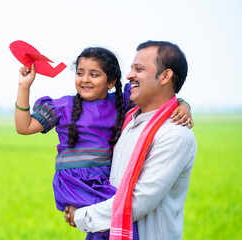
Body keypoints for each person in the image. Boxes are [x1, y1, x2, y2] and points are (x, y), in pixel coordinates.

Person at [15, 47, 192, 240]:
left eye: (94, 74)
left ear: (111, 82)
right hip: (75, 181)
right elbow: (24, 127)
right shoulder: (65, 106)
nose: (85, 79)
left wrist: (182, 104)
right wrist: (24, 87)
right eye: (80, 73)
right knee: (119, 216)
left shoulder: (123, 107)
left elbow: (162, 99)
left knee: (115, 217)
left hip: (101, 180)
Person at [64, 41, 197, 240]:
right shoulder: (127, 119)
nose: (129, 75)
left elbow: (140, 199)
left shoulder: (174, 134)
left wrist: (82, 216)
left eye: (139, 69)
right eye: (132, 68)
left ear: (165, 76)